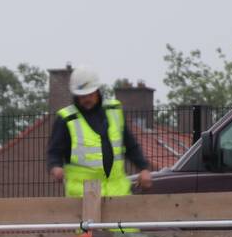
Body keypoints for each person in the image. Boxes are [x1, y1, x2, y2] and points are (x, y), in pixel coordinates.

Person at [47, 66, 153, 198]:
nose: (86, 99)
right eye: (82, 96)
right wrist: (55, 167)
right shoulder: (66, 119)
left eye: (90, 94)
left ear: (97, 91)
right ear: (76, 95)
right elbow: (54, 151)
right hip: (83, 197)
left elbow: (130, 145)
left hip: (118, 193)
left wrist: (143, 168)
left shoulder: (114, 111)